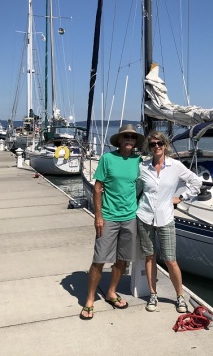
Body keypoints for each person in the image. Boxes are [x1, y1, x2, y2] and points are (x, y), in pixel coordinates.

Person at [80, 124, 144, 320]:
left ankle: (111, 292)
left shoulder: (138, 161)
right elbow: (98, 188)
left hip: (130, 217)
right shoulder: (107, 158)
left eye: (133, 138)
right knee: (99, 259)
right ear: (119, 140)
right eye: (126, 137)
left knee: (122, 259)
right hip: (108, 216)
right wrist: (98, 216)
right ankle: (90, 300)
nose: (129, 140)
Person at [136, 131, 202, 313]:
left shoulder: (175, 166)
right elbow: (133, 187)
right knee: (149, 257)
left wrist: (181, 197)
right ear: (148, 148)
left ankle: (180, 296)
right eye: (152, 144)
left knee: (171, 260)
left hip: (165, 217)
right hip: (144, 216)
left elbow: (196, 182)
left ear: (165, 145)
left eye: (159, 143)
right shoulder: (143, 166)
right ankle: (153, 294)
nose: (156, 146)